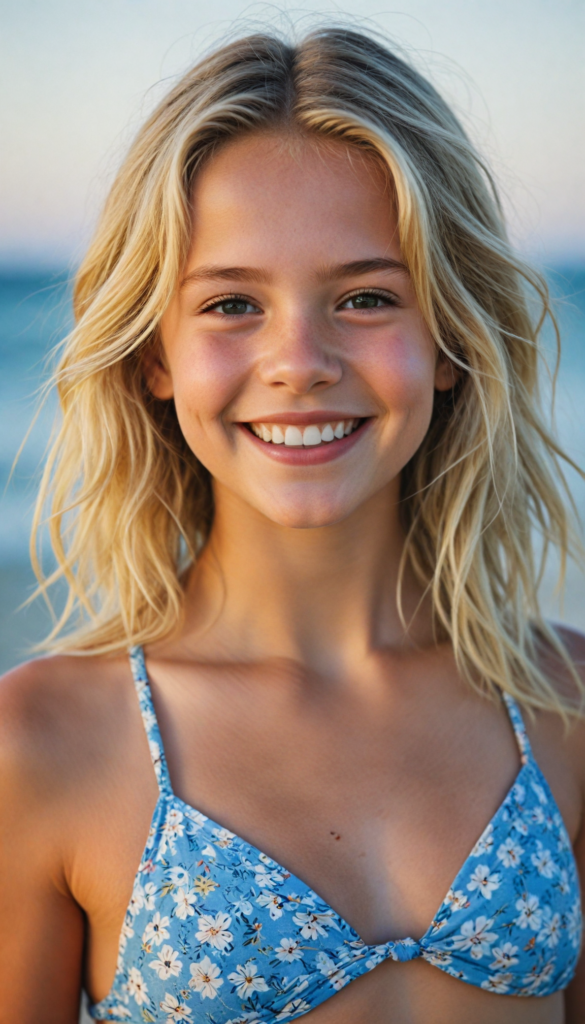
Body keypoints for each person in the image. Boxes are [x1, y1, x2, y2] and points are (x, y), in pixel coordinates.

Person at [0, 25, 583, 1024]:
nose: (300, 362)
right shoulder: (43, 742)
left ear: (451, 336)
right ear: (155, 357)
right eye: (232, 304)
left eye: (365, 297)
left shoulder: (561, 703)